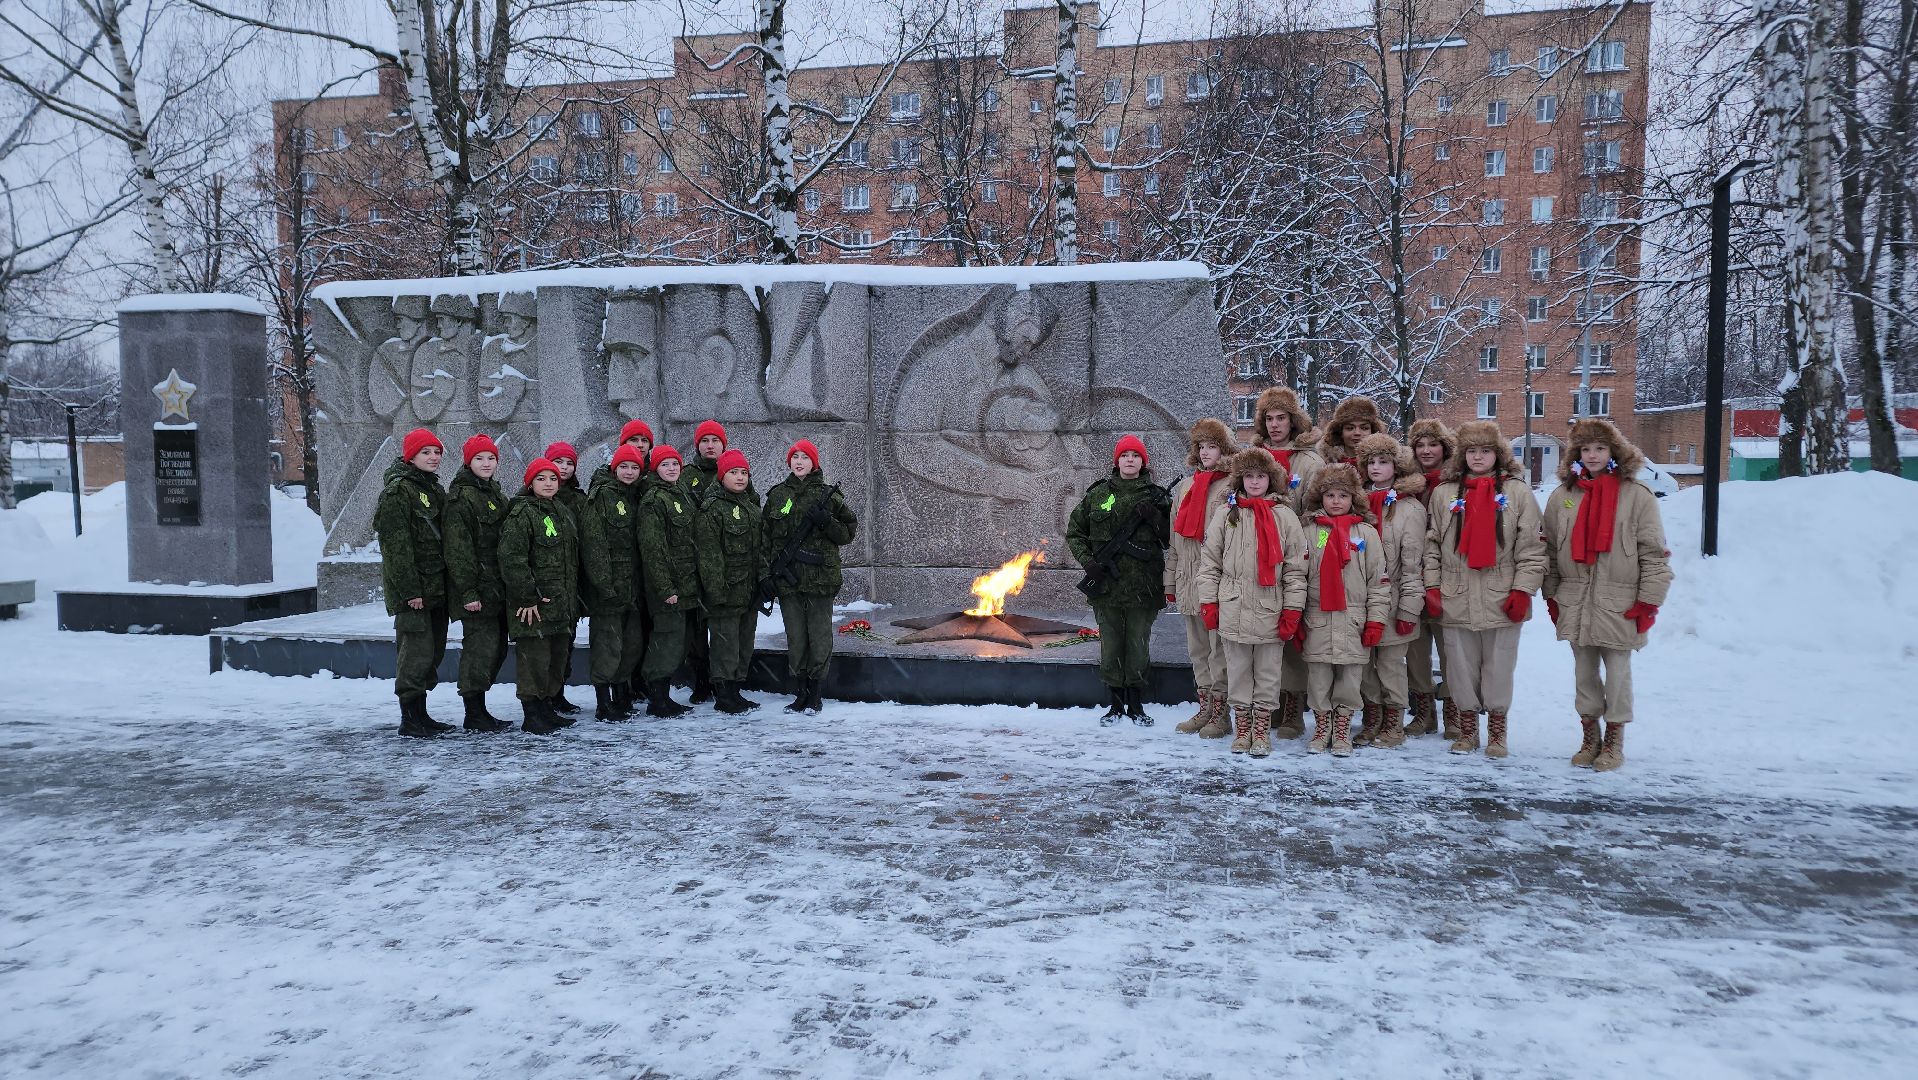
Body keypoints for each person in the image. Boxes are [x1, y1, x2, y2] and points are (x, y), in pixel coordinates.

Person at [1542, 418, 1673, 772]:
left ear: (1614, 451)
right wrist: (1552, 595)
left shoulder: (1637, 496)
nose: (1593, 455)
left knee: (1617, 675)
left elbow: (1654, 554)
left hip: (1621, 602)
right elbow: (1550, 551)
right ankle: (1589, 736)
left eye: (1600, 448)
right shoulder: (1563, 497)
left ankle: (1614, 740)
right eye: (1586, 449)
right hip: (1576, 599)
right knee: (1584, 675)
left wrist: (1649, 602)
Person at [1422, 421, 1545, 759]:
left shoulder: (1516, 492)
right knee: (1459, 668)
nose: (1478, 457)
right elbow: (1431, 545)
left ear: (1498, 454)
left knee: (1498, 667)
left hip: (1501, 595)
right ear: (1462, 455)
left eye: (1485, 451)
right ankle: (1467, 730)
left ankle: (1497, 732)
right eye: (1471, 451)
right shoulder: (1446, 493)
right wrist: (1432, 586)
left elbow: (1532, 547)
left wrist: (1523, 590)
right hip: (1455, 593)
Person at [1194, 447, 1307, 757]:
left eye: (1260, 476)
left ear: (1270, 479)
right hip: (1233, 608)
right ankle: (1242, 728)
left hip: (1271, 609)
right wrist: (1209, 602)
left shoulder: (1284, 516)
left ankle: (1261, 729)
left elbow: (1296, 569)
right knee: (1238, 671)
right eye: (1249, 476)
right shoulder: (1226, 513)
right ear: (1240, 479)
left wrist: (1293, 609)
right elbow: (1210, 563)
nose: (1255, 482)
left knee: (1269, 673)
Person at [1066, 434, 1172, 726]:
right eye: (1124, 455)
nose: (1129, 460)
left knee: (1138, 645)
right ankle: (1114, 705)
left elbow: (1169, 539)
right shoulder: (1098, 495)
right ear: (1117, 461)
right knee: (1111, 646)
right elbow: (1075, 532)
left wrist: (1155, 518)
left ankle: (1136, 705)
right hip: (1107, 587)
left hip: (1143, 586)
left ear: (1143, 462)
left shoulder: (1157, 496)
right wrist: (1088, 562)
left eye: (1135, 455)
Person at [760, 440, 858, 715]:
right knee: (796, 637)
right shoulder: (778, 496)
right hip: (789, 582)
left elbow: (848, 533)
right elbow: (765, 538)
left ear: (814, 463)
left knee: (819, 637)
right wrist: (766, 574)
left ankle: (815, 693)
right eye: (795, 457)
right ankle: (800, 691)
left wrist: (827, 521)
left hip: (819, 580)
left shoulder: (829, 496)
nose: (799, 461)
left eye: (805, 457)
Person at [1298, 463, 1390, 756]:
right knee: (1319, 678)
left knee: (1350, 679)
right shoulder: (1312, 532)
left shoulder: (1365, 534)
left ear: (1354, 498)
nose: (1336, 501)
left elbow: (1378, 582)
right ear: (1320, 498)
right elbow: (1299, 575)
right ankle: (1322, 725)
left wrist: (1375, 621)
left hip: (1354, 620)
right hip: (1318, 618)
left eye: (1343, 495)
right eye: (1329, 495)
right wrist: (1296, 617)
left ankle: (1342, 728)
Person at [1248, 386, 1321, 740]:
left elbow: (1318, 509)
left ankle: (1293, 708)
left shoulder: (1309, 460)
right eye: (1268, 418)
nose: (1275, 425)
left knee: (1291, 632)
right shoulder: (1254, 455)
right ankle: (1268, 704)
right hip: (1258, 556)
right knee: (1264, 632)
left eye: (1281, 418)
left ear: (1293, 420)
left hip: (1295, 552)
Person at [374, 428, 455, 738]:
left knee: (431, 653)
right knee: (415, 653)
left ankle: (422, 714)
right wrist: (410, 591)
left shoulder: (433, 489)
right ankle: (410, 719)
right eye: (426, 452)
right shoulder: (398, 492)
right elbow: (396, 547)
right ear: (411, 456)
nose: (433, 457)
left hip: (435, 588)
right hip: (415, 591)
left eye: (437, 452)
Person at [1354, 434, 1429, 749]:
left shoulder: (1408, 509)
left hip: (1395, 598)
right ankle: (1372, 719)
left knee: (1389, 665)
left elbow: (1413, 565)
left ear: (1396, 467)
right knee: (1364, 666)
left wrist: (1410, 609)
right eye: (1371, 462)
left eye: (1383, 462)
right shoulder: (1355, 502)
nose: (1376, 468)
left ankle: (1393, 723)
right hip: (1360, 600)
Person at [498, 457, 582, 736]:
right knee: (534, 659)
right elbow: (513, 559)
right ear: (530, 483)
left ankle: (546, 709)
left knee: (555, 659)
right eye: (541, 479)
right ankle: (532, 715)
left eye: (553, 479)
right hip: (534, 605)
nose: (548, 484)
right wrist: (526, 597)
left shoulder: (561, 510)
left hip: (560, 602)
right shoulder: (521, 514)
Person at [1167, 419, 1237, 738]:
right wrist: (1171, 582)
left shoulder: (1230, 485)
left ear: (1224, 449)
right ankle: (1205, 707)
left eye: (1212, 446)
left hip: (1217, 581)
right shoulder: (1186, 486)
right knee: (1198, 650)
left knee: (1218, 650)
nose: (1206, 452)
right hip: (1187, 578)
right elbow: (1174, 540)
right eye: (1201, 446)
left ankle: (1221, 714)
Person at [443, 433, 512, 732]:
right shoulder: (461, 498)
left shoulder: (495, 494)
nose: (486, 463)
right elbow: (458, 550)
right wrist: (468, 591)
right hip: (478, 591)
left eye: (491, 458)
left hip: (497, 588)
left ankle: (480, 709)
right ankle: (474, 712)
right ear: (468, 462)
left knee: (495, 649)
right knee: (479, 650)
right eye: (479, 458)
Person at [682, 420, 751, 705]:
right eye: (705, 440)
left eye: (715, 440)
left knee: (726, 630)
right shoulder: (687, 476)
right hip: (694, 560)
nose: (710, 445)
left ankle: (725, 683)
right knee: (697, 630)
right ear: (697, 445)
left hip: (728, 566)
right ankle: (701, 681)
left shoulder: (736, 472)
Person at [695, 448, 766, 714]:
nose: (740, 478)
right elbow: (709, 555)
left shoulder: (750, 506)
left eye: (744, 473)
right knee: (725, 645)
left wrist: (762, 580)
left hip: (748, 590)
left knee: (744, 643)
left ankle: (735, 690)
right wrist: (717, 592)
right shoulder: (712, 508)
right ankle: (723, 694)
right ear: (722, 476)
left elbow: (760, 547)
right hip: (725, 591)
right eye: (733, 472)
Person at [581, 444, 647, 721]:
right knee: (607, 645)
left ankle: (621, 694)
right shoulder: (603, 497)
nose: (629, 472)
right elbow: (594, 546)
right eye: (624, 467)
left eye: (634, 467)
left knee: (630, 644)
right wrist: (604, 585)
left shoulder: (634, 496)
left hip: (631, 587)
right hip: (608, 588)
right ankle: (603, 702)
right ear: (614, 468)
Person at [636, 445, 701, 717]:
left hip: (686, 584)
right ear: (656, 469)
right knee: (666, 641)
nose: (672, 468)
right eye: (665, 465)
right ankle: (657, 699)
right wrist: (665, 588)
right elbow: (653, 549)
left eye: (675, 463)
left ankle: (663, 697)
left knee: (679, 641)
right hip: (668, 588)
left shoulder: (682, 495)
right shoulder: (654, 500)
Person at [1403, 419, 1458, 739]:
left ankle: (1453, 712)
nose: (1426, 451)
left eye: (1432, 444)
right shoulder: (1407, 483)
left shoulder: (1455, 485)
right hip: (1411, 573)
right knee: (1415, 648)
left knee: (1449, 647)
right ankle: (1424, 712)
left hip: (1446, 574)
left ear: (1444, 448)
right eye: (1420, 445)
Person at [542, 440, 588, 717]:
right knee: (546, 644)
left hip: (571, 582)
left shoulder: (578, 500)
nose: (564, 468)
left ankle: (557, 693)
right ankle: (545, 696)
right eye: (559, 462)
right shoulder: (536, 497)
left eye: (569, 463)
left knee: (564, 643)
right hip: (548, 583)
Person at [1318, 395, 1387, 469]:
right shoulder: (1321, 461)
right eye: (1350, 428)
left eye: (1364, 428)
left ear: (1373, 431)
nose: (1357, 433)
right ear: (1340, 432)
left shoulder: (1388, 462)